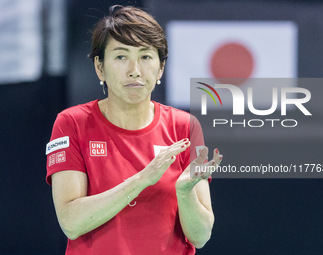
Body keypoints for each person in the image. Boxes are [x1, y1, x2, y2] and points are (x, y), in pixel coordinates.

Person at [46, 5, 222, 255]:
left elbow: (201, 236)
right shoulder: (71, 123)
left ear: (160, 68)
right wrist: (141, 180)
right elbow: (72, 223)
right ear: (100, 67)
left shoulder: (185, 126)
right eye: (120, 56)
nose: (134, 70)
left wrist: (184, 193)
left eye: (146, 57)